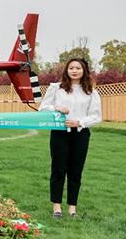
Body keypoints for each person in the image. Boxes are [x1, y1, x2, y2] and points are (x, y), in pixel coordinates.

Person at [39, 58, 102, 218]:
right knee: (58, 170)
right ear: (66, 70)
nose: (74, 71)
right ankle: (57, 207)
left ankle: (72, 208)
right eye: (71, 68)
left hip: (80, 134)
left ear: (84, 70)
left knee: (75, 171)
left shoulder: (91, 92)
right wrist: (56, 108)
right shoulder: (56, 88)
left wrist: (79, 122)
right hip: (59, 134)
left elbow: (96, 116)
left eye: (78, 68)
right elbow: (43, 108)